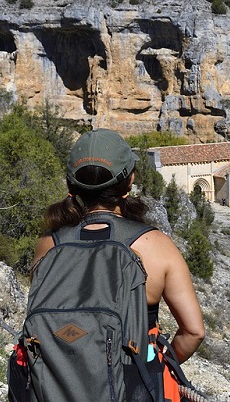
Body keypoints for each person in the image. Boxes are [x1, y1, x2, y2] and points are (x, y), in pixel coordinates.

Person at [31, 129, 205, 396]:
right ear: (129, 182)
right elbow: (193, 332)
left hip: (55, 389)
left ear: (71, 186)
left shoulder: (48, 244)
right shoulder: (156, 247)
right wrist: (153, 367)